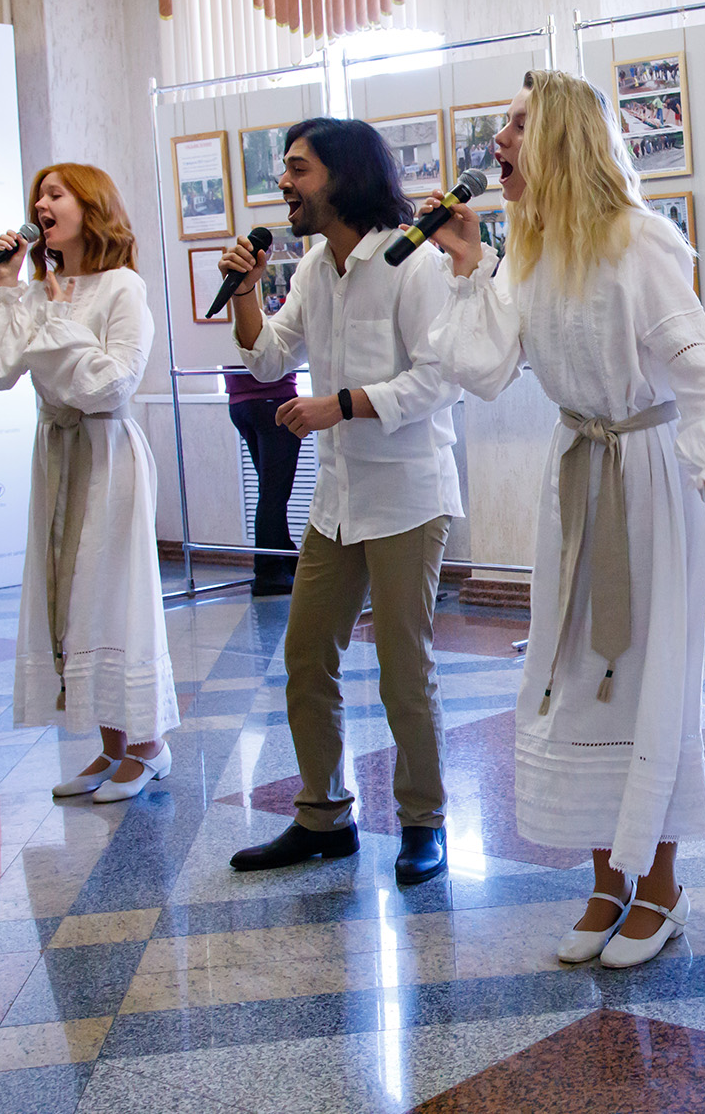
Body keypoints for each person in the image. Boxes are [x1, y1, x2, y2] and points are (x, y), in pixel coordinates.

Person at [421, 70, 705, 969]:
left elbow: (697, 358)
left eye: (516, 123)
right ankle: (606, 883)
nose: (498, 141)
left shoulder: (640, 239)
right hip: (577, 468)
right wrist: (467, 264)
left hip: (648, 474)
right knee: (577, 675)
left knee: (647, 675)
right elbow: (484, 366)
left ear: (562, 137)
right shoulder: (531, 250)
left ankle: (661, 888)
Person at [221, 118, 464, 887]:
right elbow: (266, 358)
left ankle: (424, 821)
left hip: (406, 496)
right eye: (284, 169)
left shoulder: (411, 261)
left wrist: (342, 404)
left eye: (298, 168)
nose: (283, 183)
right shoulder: (311, 269)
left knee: (403, 668)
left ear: (344, 175)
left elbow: (440, 379)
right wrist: (245, 292)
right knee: (305, 655)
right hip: (337, 500)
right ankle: (324, 816)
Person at [0, 164, 179, 801]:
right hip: (56, 454)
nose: (41, 203)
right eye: (38, 193)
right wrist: (8, 287)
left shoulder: (123, 287)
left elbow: (113, 382)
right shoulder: (38, 291)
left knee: (113, 594)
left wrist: (57, 324)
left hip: (107, 452)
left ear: (91, 206)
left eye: (56, 193)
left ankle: (149, 746)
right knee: (71, 598)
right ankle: (111, 746)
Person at [225, 369, 302, 596]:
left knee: (271, 492)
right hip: (273, 400)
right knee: (273, 496)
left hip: (240, 404)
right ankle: (269, 572)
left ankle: (288, 560)